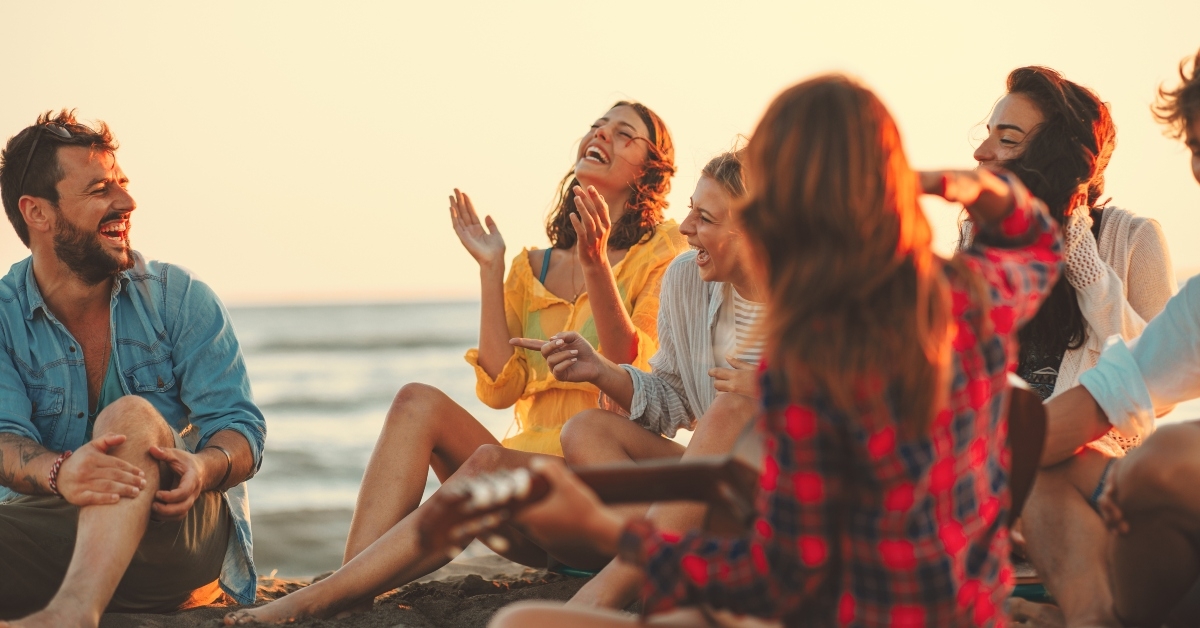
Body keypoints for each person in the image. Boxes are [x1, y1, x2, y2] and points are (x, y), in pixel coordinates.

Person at [488, 74, 1063, 627]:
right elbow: (1033, 235)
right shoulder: (970, 296)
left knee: (521, 623)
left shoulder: (804, 362)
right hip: (956, 610)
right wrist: (946, 182)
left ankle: (604, 591)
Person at [223, 101, 684, 624]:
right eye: (597, 125)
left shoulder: (664, 254)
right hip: (528, 510)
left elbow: (631, 362)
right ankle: (350, 585)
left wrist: (597, 260)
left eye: (624, 134)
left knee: (486, 465)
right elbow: (498, 388)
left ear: (649, 171)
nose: (602, 133)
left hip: (596, 504)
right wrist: (490, 269)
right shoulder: (531, 266)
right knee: (416, 400)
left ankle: (315, 599)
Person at [0, 110, 266, 628]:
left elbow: (241, 429)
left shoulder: (178, 298)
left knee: (130, 420)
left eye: (121, 184)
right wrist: (61, 472)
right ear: (37, 212)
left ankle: (76, 611)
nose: (127, 202)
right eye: (101, 189)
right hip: (55, 535)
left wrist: (202, 468)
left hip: (174, 538)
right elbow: (3, 440)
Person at [520, 150, 766, 608]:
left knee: (730, 410)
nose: (685, 226)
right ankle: (706, 555)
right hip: (714, 493)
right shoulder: (687, 279)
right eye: (690, 207)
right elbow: (673, 398)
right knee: (586, 431)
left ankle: (609, 590)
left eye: (705, 217)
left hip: (792, 496)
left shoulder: (821, 305)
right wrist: (600, 369)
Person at [1010, 47, 1200, 628]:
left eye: (1008, 138)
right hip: (1097, 499)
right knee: (1050, 461)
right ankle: (1092, 619)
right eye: (1197, 149)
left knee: (1159, 463)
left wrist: (1086, 262)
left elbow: (1138, 404)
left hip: (1153, 471)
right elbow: (1106, 397)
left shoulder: (1130, 237)